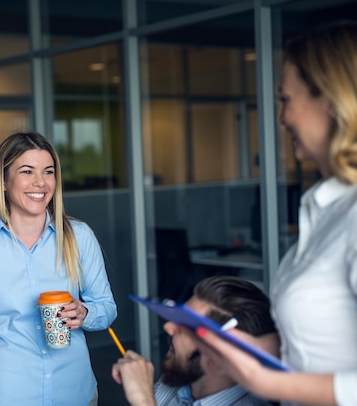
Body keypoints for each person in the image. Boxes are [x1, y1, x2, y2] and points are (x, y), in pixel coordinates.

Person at [189, 20, 357, 406]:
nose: (281, 119)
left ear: (331, 101)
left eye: (285, 99)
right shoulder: (325, 207)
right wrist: (250, 347)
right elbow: (319, 344)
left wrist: (269, 384)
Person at [0, 131, 117, 406]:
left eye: (48, 172)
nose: (40, 182)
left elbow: (107, 307)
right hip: (7, 395)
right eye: (27, 171)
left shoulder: (79, 236)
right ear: (4, 181)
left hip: (75, 392)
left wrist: (85, 312)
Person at [112, 276, 276, 406]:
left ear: (223, 353)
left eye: (187, 324)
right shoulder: (176, 381)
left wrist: (143, 400)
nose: (168, 326)